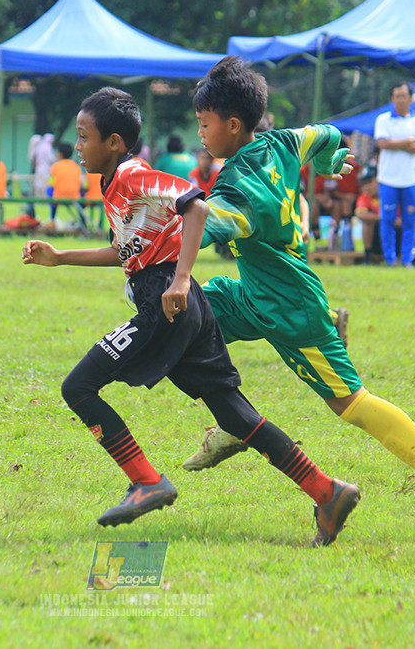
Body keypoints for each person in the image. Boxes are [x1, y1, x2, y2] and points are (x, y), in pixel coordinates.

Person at [22, 86, 358, 546]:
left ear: (115, 143)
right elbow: (127, 252)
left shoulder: (134, 176)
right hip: (186, 305)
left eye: (83, 137)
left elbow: (196, 205)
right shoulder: (114, 184)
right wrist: (61, 257)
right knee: (237, 417)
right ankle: (327, 491)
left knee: (77, 387)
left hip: (168, 304)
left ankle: (146, 481)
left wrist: (180, 279)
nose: (77, 147)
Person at [183, 56, 415, 539]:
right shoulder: (278, 142)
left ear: (232, 125)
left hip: (290, 307)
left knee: (351, 404)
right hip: (254, 293)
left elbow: (213, 222)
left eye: (204, 124)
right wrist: (325, 161)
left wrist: (164, 217)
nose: (199, 132)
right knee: (183, 317)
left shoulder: (236, 187)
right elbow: (324, 135)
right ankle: (233, 422)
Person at [374, 83, 415, 267]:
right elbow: (382, 143)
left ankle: (407, 260)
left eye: (404, 95)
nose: (401, 99)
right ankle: (389, 258)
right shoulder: (383, 120)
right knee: (387, 220)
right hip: (388, 179)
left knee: (410, 221)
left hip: (411, 180)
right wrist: (408, 141)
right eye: (397, 96)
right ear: (392, 98)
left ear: (410, 98)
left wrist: (394, 142)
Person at [48, 142, 90, 230]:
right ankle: (83, 223)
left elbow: (52, 183)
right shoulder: (75, 166)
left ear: (59, 154)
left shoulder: (56, 166)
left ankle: (52, 218)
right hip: (75, 196)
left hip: (58, 196)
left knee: (49, 191)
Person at [354, 168, 383, 265]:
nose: (367, 187)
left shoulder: (390, 195)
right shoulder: (365, 197)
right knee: (368, 222)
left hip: (394, 234)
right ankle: (368, 256)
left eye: (370, 182)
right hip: (376, 235)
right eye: (364, 184)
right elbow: (360, 214)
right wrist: (383, 218)